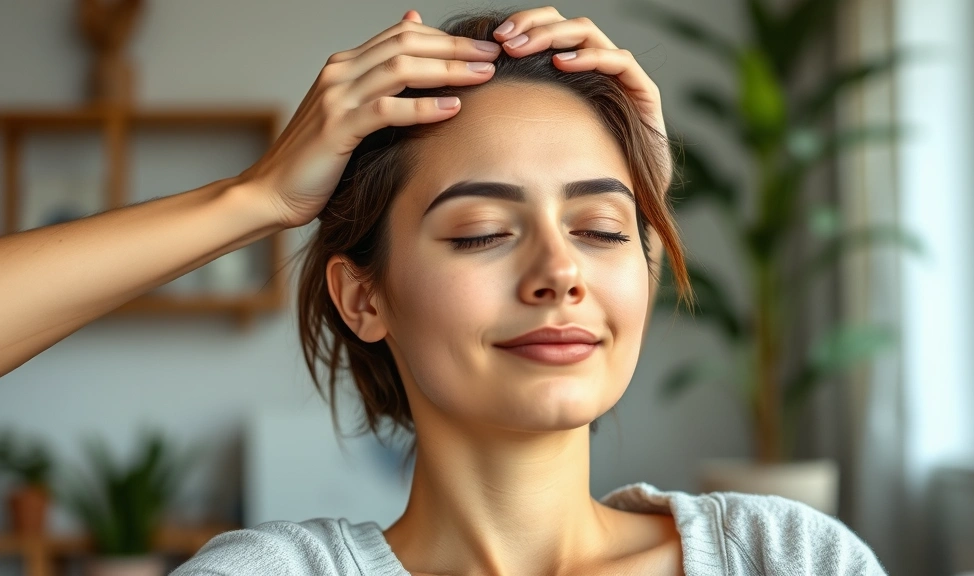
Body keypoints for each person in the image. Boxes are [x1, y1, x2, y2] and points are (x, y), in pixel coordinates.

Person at [0, 6, 887, 575]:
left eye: (602, 229)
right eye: (481, 233)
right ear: (363, 298)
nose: (562, 273)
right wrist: (256, 196)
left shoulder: (785, 556)